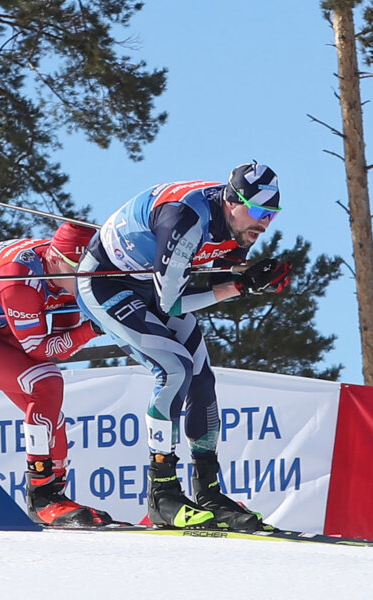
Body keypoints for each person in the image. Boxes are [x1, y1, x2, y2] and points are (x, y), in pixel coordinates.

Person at [75, 162, 293, 531]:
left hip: (151, 284)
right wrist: (239, 287)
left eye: (271, 215)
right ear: (231, 201)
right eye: (257, 211)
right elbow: (171, 305)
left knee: (202, 378)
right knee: (174, 368)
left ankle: (208, 490)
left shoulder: (238, 227)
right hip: (107, 285)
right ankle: (162, 494)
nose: (263, 223)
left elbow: (217, 272)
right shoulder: (186, 220)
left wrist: (253, 276)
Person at [0, 222, 113, 527]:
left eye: (91, 272)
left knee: (49, 406)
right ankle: (41, 496)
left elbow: (65, 339)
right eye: (79, 272)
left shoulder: (61, 271)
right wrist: (92, 328)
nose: (86, 281)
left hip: (3, 324)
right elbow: (41, 350)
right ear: (55, 260)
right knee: (45, 381)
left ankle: (55, 496)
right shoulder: (20, 281)